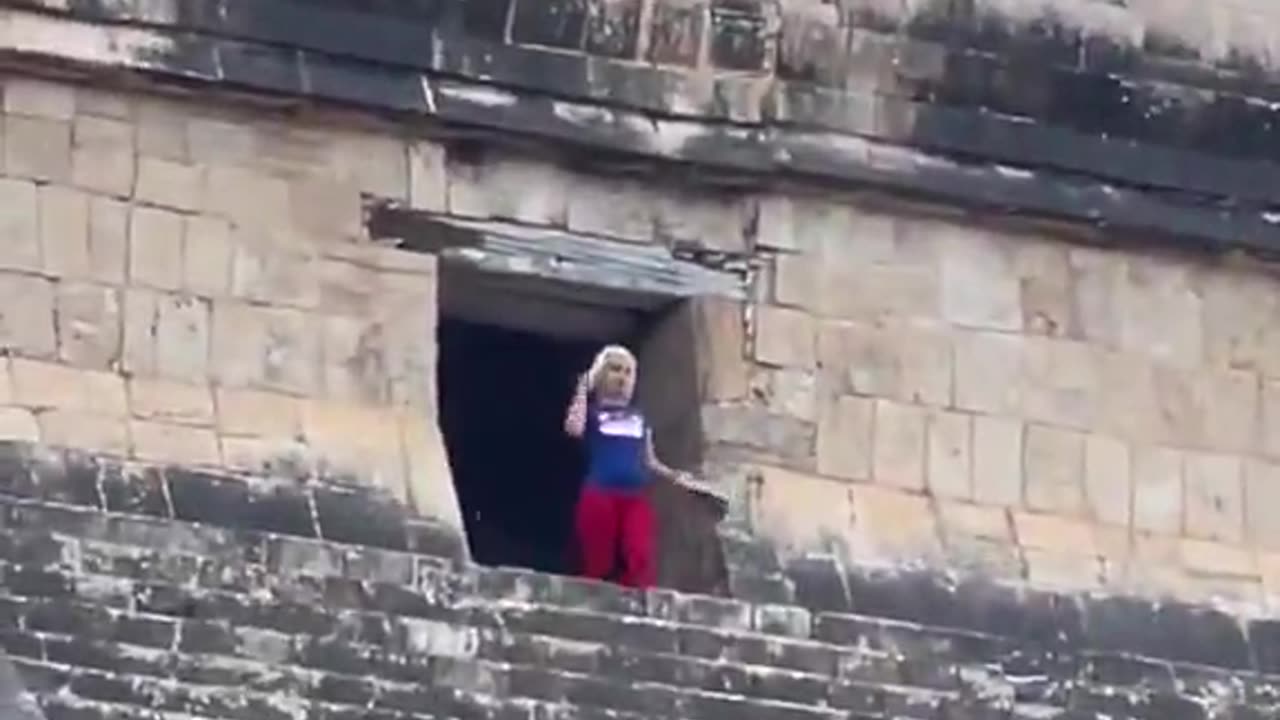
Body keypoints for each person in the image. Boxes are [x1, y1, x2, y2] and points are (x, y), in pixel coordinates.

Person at [563, 344, 689, 589]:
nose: (622, 377)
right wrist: (582, 386)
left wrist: (676, 477)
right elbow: (573, 428)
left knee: (639, 554)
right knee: (597, 560)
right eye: (615, 369)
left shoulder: (639, 416)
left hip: (635, 497)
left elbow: (649, 460)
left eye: (628, 372)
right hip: (600, 493)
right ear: (601, 375)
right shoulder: (592, 412)